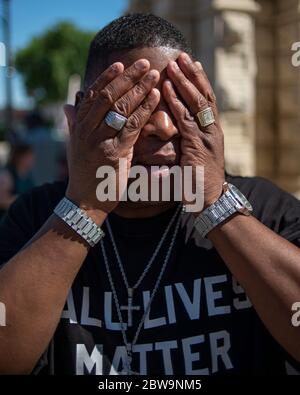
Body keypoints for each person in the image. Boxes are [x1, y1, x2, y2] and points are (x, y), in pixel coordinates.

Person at [0, 13, 299, 376]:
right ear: (78, 118)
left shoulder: (264, 209)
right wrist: (87, 205)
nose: (163, 127)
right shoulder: (36, 217)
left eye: (178, 103)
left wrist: (216, 203)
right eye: (131, 105)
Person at [0, 143, 35, 218]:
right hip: (7, 221)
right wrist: (23, 200)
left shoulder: (27, 175)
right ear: (21, 157)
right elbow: (2, 200)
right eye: (29, 156)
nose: (33, 159)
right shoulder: (7, 174)